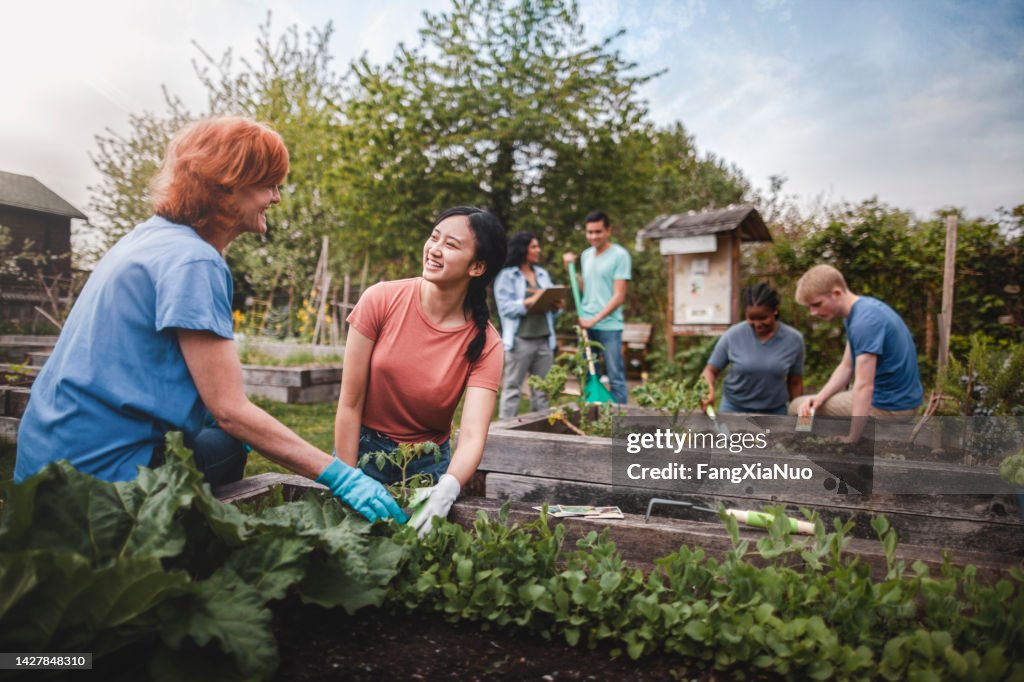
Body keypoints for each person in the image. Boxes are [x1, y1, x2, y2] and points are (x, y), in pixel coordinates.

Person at [15, 116, 405, 524]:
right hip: (100, 481)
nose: (276, 198)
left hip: (45, 463)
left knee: (218, 438)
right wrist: (341, 476)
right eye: (268, 184)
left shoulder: (147, 237)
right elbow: (230, 410)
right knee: (230, 442)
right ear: (228, 185)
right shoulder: (194, 261)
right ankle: (169, 549)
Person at [334, 206, 506, 535]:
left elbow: (471, 435)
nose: (434, 249)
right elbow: (349, 402)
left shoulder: (487, 344)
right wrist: (346, 477)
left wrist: (448, 488)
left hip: (426, 467)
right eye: (433, 237)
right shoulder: (380, 299)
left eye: (451, 245)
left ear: (477, 267)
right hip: (362, 451)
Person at [789, 264, 923, 440]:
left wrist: (853, 437)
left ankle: (808, 444)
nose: (813, 312)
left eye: (816, 304)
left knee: (796, 406)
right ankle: (806, 440)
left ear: (836, 293)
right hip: (899, 400)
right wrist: (820, 397)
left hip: (892, 407)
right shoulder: (862, 311)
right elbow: (846, 367)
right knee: (810, 404)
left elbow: (864, 385)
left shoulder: (864, 322)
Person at [700, 283, 805, 415]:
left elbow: (795, 382)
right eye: (751, 318)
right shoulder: (733, 335)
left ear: (775, 311)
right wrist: (707, 390)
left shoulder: (793, 340)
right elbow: (710, 370)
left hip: (774, 411)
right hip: (734, 408)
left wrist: (799, 418)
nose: (757, 324)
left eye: (763, 318)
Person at [562, 210, 631, 404]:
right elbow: (585, 288)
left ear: (608, 230)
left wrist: (595, 319)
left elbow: (619, 296)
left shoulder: (620, 255)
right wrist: (570, 270)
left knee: (615, 376)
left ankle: (621, 423)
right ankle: (592, 418)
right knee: (588, 374)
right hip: (586, 324)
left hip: (609, 326)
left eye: (598, 232)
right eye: (590, 232)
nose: (593, 236)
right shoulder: (586, 255)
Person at [493, 232, 563, 418]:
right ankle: (505, 432)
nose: (538, 250)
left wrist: (556, 306)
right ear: (522, 249)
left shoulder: (542, 274)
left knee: (542, 391)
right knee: (512, 388)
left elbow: (552, 306)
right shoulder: (507, 276)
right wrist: (530, 302)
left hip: (544, 341)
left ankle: (540, 432)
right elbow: (505, 308)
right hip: (519, 342)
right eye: (534, 247)